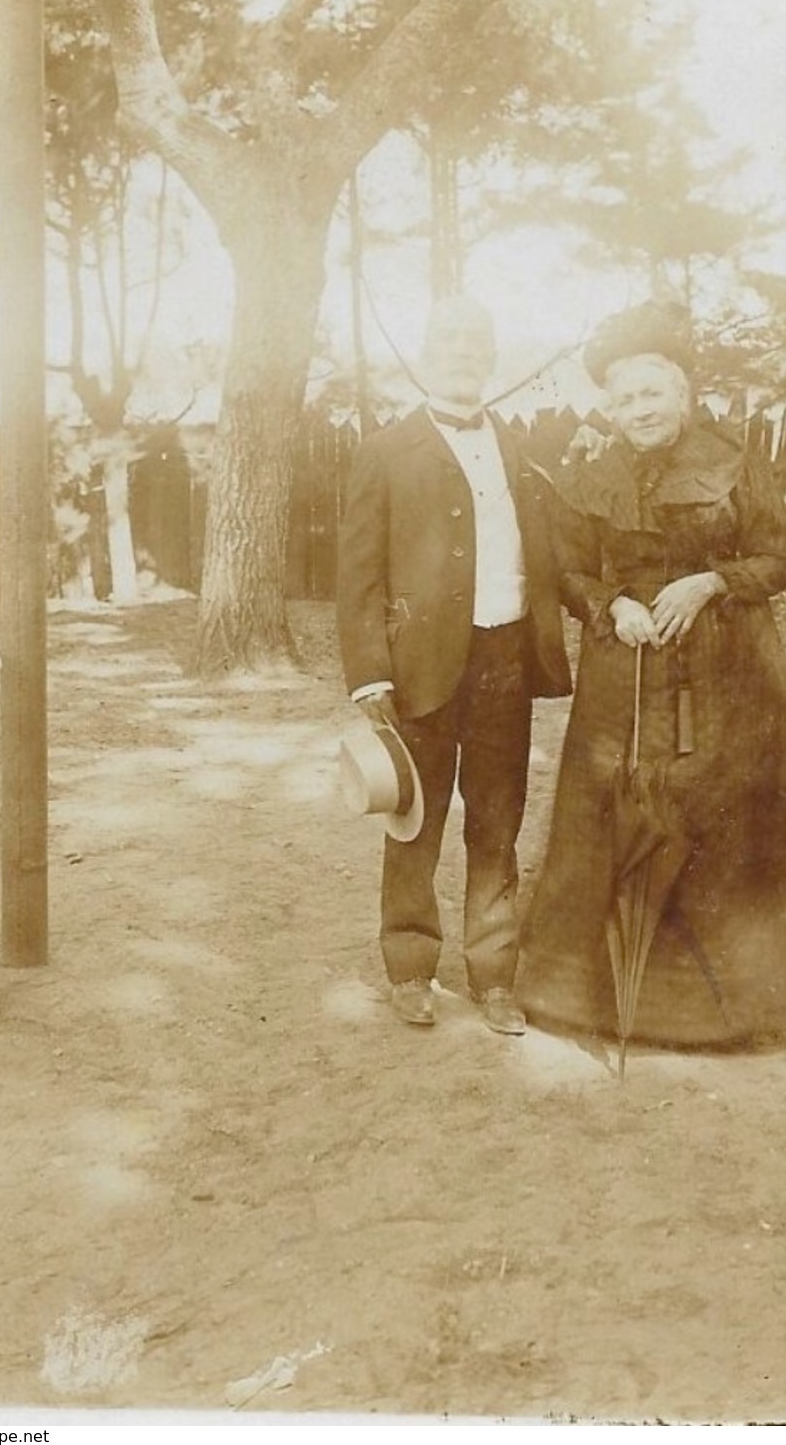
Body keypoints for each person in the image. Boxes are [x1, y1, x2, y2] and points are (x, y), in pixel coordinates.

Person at [516, 301, 786, 1049]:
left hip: (729, 675)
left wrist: (710, 582)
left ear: (681, 395)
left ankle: (732, 1011)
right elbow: (567, 570)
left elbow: (782, 557)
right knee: (615, 808)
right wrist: (611, 602)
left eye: (650, 394)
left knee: (717, 819)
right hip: (626, 670)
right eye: (621, 398)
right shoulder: (592, 475)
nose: (636, 410)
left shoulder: (734, 460)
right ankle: (590, 999)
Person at [336, 295, 571, 1034]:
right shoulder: (383, 450)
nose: (463, 351)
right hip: (418, 667)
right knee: (416, 818)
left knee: (497, 821)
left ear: (490, 353)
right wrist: (370, 670)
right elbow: (358, 573)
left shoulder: (516, 446)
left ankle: (494, 975)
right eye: (448, 339)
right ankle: (410, 966)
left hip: (504, 657)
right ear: (426, 352)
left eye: (476, 339)